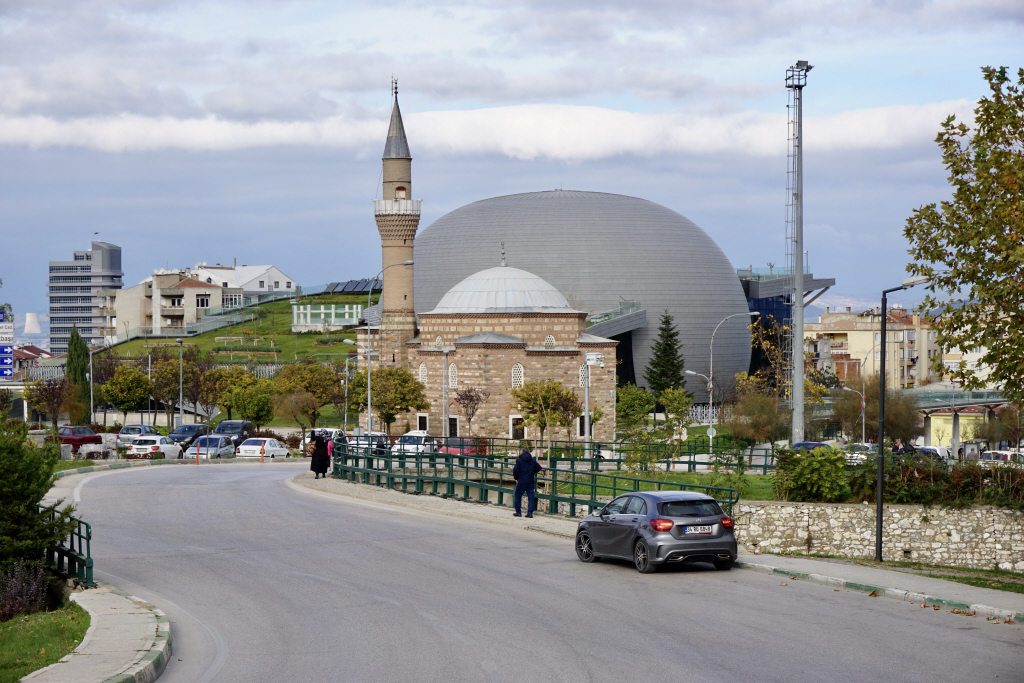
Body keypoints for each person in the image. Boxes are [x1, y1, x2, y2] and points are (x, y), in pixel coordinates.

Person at [512, 447, 543, 518]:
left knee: (517, 495)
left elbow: (515, 470)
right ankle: (530, 513)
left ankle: (518, 512)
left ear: (521, 452)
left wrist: (516, 478)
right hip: (530, 480)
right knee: (530, 497)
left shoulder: (519, 460)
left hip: (521, 481)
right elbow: (539, 468)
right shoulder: (532, 460)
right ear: (529, 452)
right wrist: (532, 472)